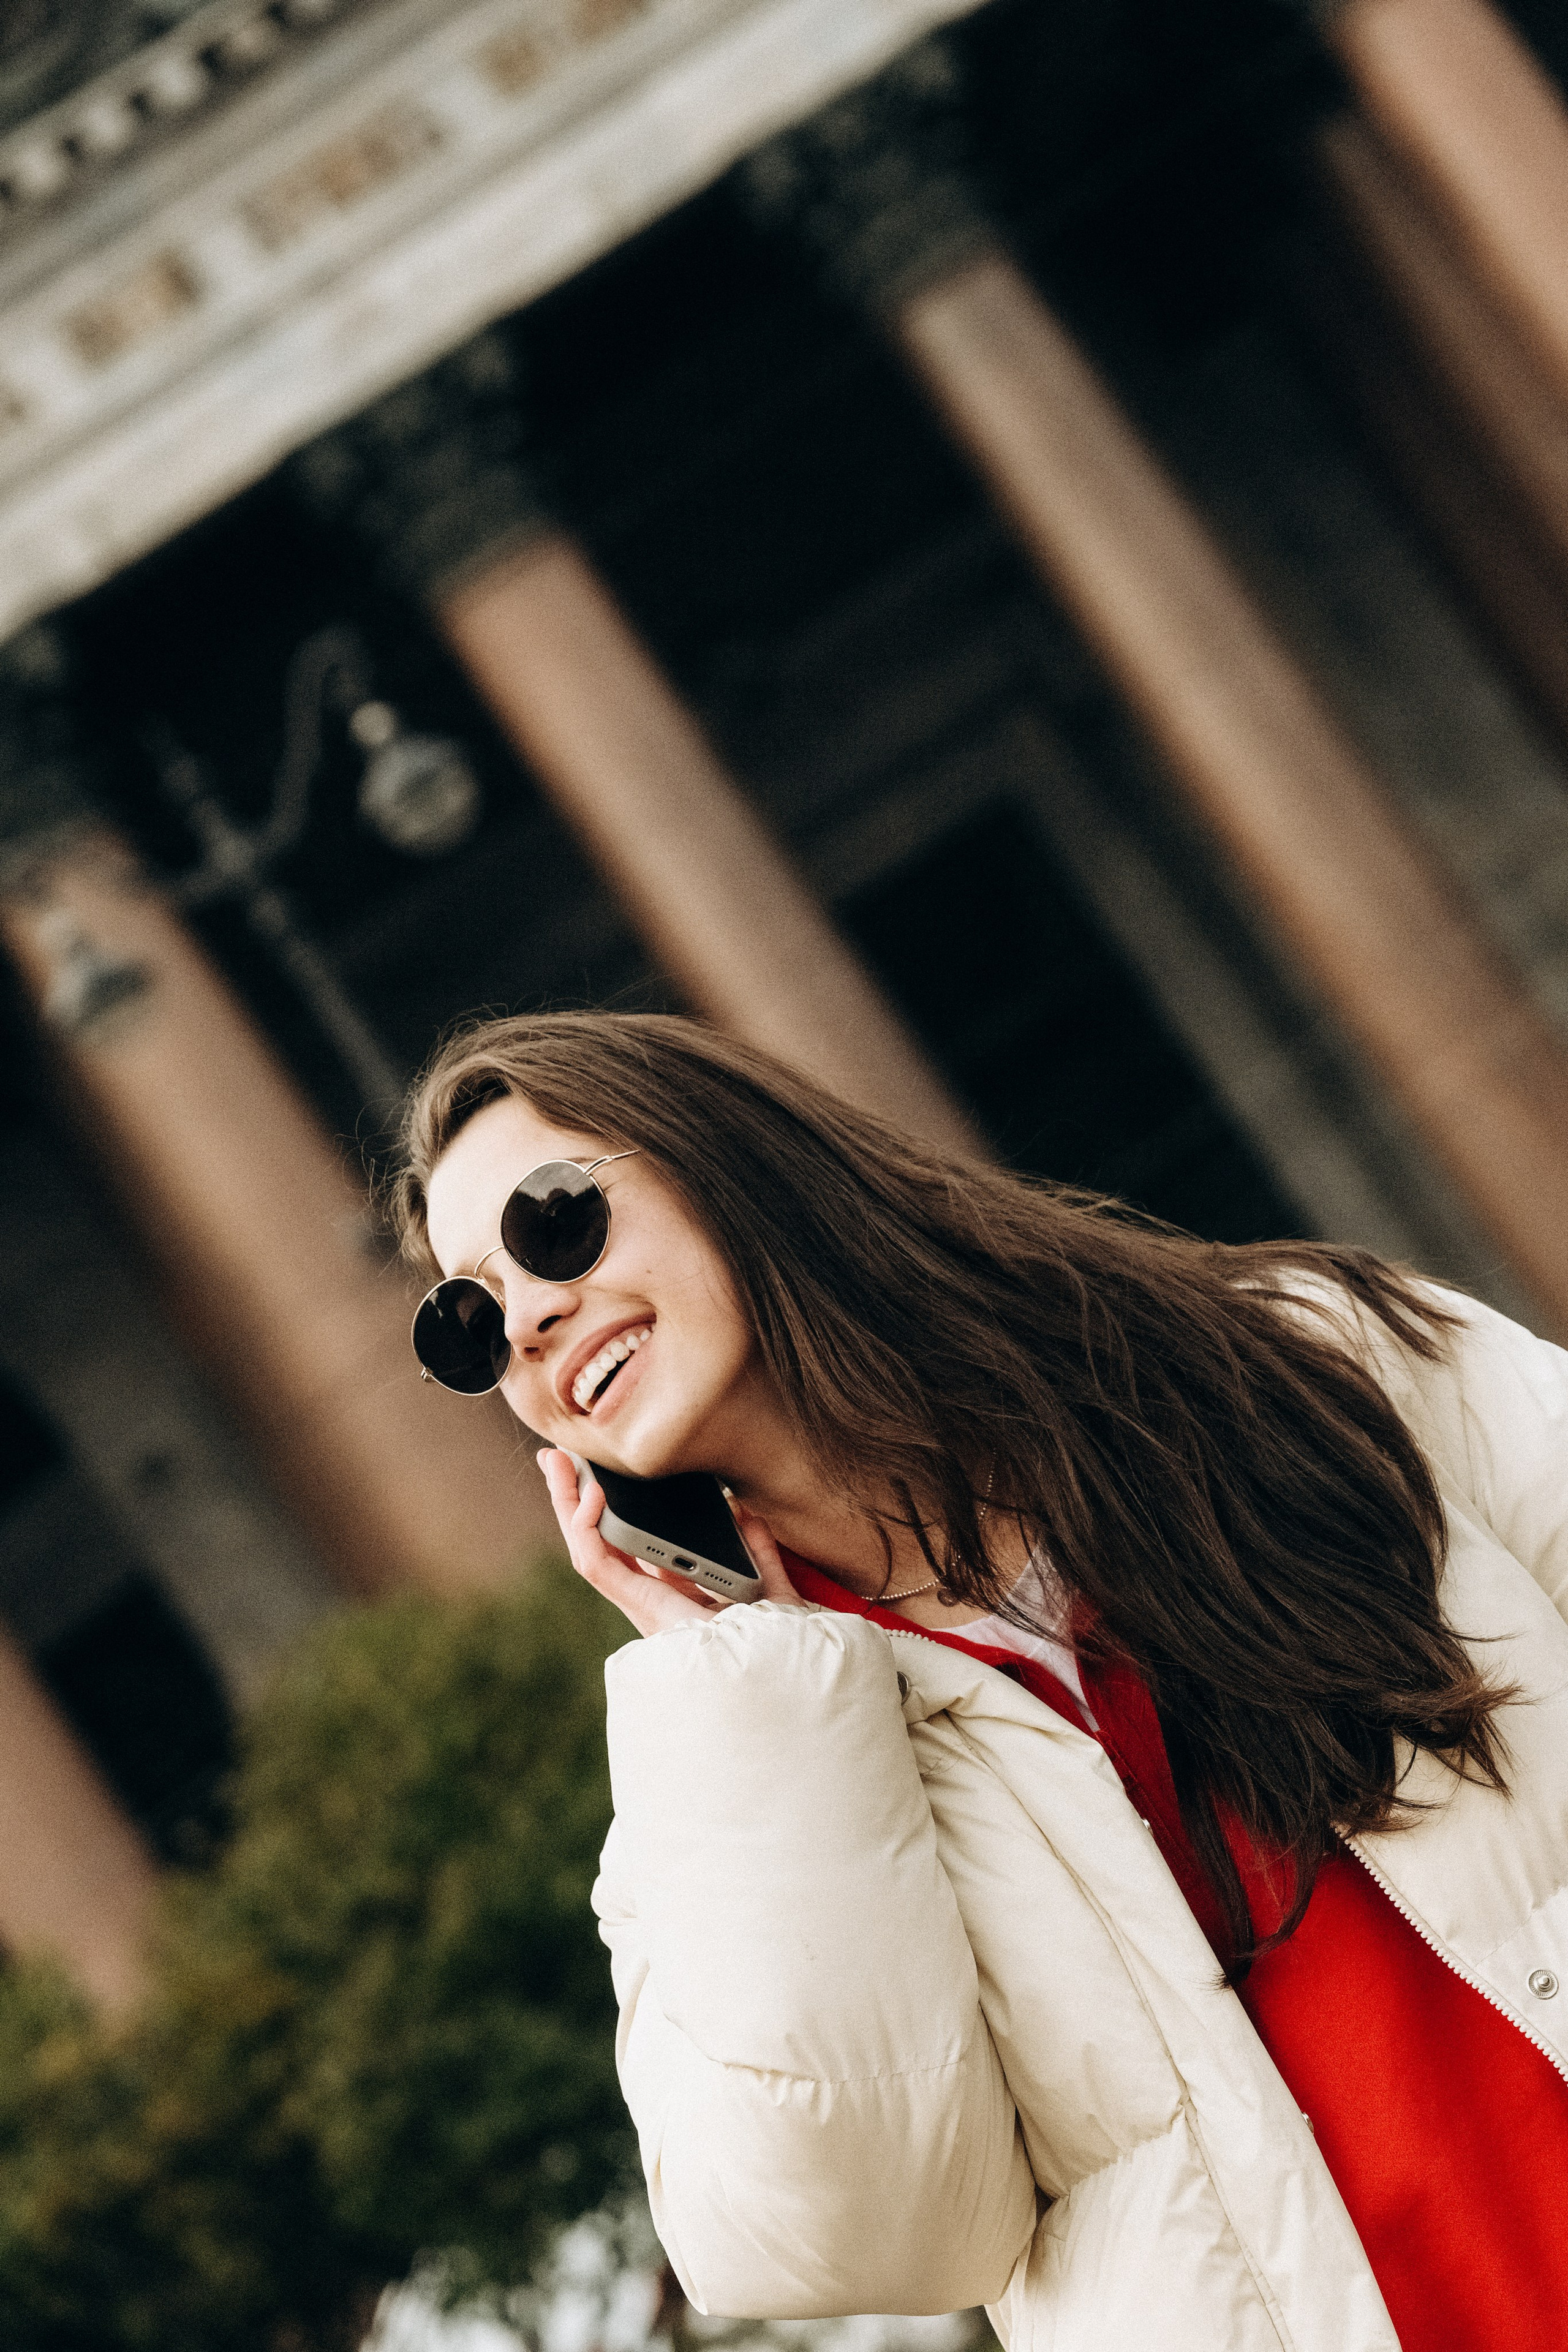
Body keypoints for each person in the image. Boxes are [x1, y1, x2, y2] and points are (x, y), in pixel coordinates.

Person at [391, 1009, 1568, 2352]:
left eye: (555, 1225)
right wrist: (759, 1695)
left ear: (727, 1160)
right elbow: (858, 2232)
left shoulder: (1308, 1367)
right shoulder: (722, 1794)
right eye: (468, 1322)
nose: (532, 1318)